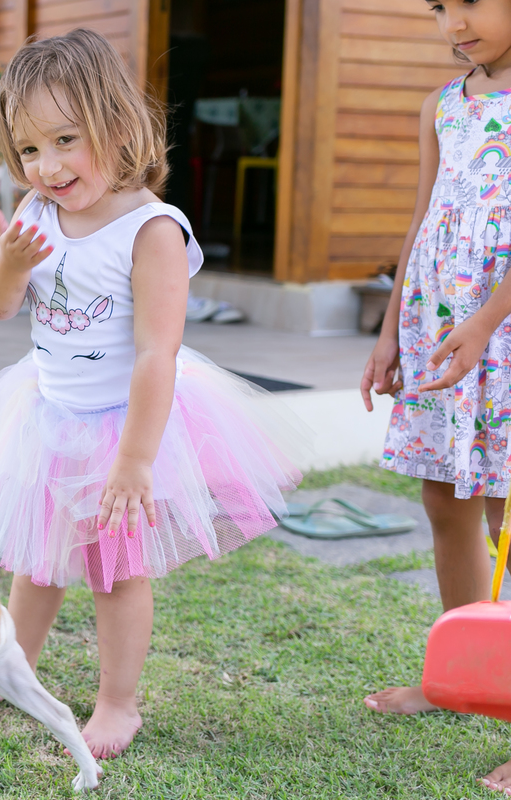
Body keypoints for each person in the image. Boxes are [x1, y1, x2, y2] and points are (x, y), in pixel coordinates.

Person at [0, 28, 307, 759]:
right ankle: (13, 671)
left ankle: (118, 703)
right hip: (46, 417)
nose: (47, 166)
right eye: (30, 149)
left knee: (113, 572)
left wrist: (135, 462)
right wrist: (8, 262)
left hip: (126, 426)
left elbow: (156, 352)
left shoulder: (151, 229)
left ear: (116, 122)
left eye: (67, 140)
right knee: (37, 562)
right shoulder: (35, 216)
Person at [360, 0, 511, 792]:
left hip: (502, 330)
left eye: (472, 1)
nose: (455, 20)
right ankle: (463, 675)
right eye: (440, 5)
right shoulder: (441, 105)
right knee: (445, 497)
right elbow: (421, 221)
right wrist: (388, 336)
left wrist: (486, 324)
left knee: (505, 511)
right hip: (437, 324)